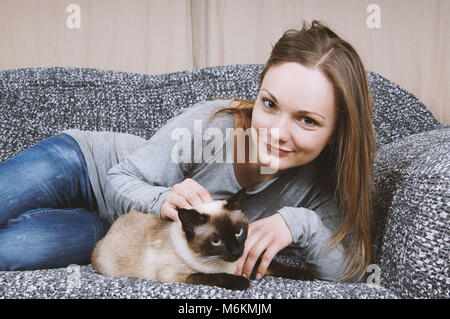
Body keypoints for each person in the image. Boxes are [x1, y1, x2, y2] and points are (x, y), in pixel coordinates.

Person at [0, 20, 375, 282]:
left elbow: (352, 272)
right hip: (86, 167)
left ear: (338, 132)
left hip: (118, 232)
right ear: (257, 92)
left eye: (307, 120)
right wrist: (163, 198)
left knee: (11, 252)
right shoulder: (215, 125)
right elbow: (120, 177)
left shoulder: (322, 186)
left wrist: (300, 224)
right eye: (270, 104)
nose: (276, 132)